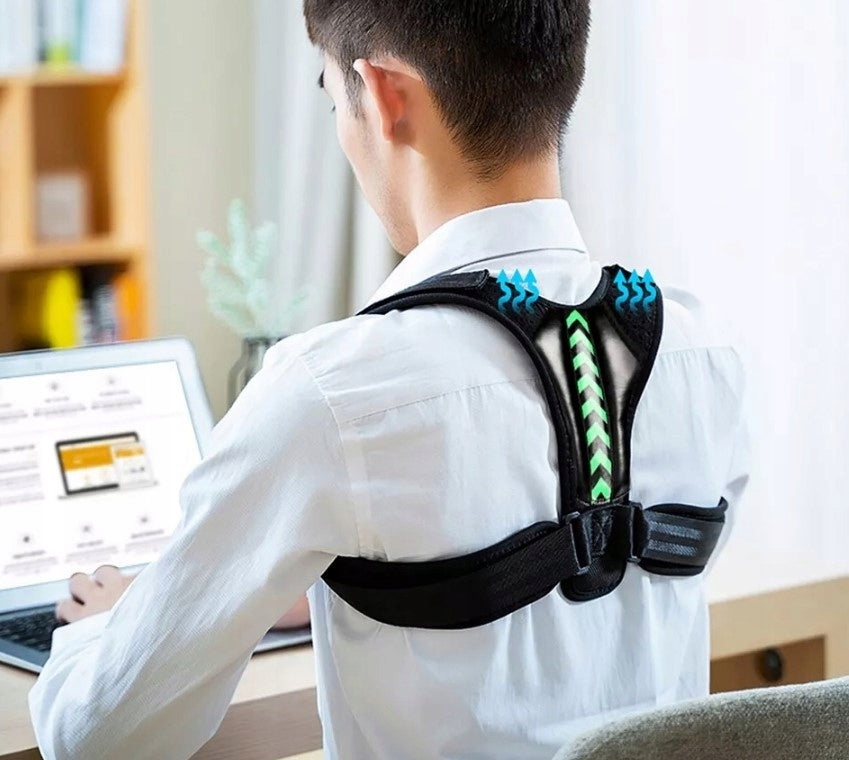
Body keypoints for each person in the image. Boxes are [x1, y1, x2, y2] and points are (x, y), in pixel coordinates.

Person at [29, 2, 750, 759]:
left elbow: (98, 738)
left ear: (384, 95)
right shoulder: (702, 348)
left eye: (334, 103)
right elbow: (624, 584)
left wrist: (102, 630)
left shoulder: (330, 393)